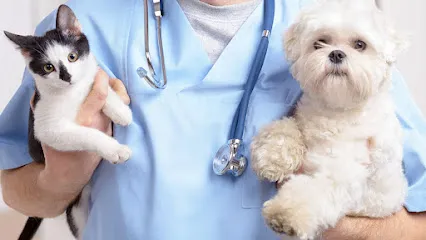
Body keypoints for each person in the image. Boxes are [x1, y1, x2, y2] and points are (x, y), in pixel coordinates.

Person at [1, 0, 425, 239]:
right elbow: (16, 185)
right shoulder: (81, 27)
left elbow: (417, 222)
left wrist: (337, 214)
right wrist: (61, 178)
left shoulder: (332, 24)